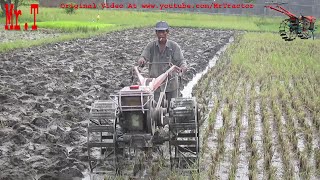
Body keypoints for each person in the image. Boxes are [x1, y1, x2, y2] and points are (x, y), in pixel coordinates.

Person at [137, 21, 187, 105]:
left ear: (167, 32)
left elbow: (181, 61)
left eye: (163, 32)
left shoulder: (174, 46)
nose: (161, 34)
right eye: (159, 32)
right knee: (154, 107)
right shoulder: (151, 46)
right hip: (156, 85)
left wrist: (183, 67)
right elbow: (143, 57)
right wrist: (142, 60)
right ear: (156, 33)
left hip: (171, 84)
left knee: (173, 107)